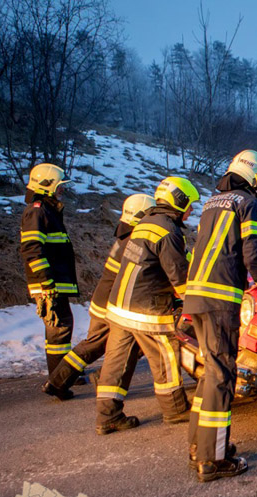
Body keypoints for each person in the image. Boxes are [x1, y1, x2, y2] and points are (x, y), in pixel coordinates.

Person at [185, 150, 257, 483]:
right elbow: (253, 255)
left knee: (210, 373)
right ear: (255, 176)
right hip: (220, 299)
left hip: (196, 297)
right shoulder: (248, 204)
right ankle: (213, 460)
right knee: (222, 376)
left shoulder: (213, 202)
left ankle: (201, 446)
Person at [95, 177, 198, 435]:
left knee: (116, 363)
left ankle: (107, 416)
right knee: (165, 356)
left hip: (119, 307)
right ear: (180, 201)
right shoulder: (168, 231)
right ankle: (175, 410)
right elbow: (179, 275)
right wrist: (193, 305)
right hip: (147, 311)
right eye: (190, 204)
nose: (192, 210)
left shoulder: (144, 224)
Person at [42, 194, 154, 400]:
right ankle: (64, 382)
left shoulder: (125, 236)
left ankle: (58, 381)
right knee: (105, 345)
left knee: (93, 346)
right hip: (111, 304)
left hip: (104, 300)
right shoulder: (135, 240)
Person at [20, 163, 79, 391]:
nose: (61, 191)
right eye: (58, 186)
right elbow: (32, 249)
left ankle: (65, 373)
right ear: (47, 186)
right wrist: (46, 283)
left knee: (62, 327)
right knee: (58, 329)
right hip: (48, 285)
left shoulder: (47, 210)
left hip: (54, 284)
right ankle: (60, 377)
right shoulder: (37, 211)